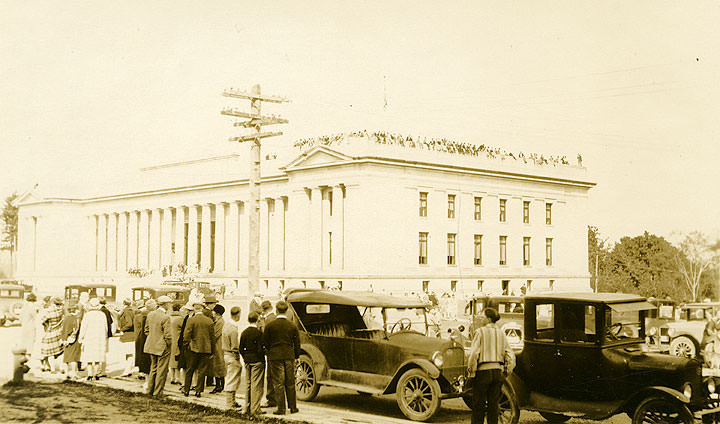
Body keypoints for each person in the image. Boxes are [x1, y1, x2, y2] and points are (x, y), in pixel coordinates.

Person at [467, 307, 515, 424]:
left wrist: (471, 372)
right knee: (493, 406)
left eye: (483, 317)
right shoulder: (501, 333)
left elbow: (474, 354)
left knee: (479, 405)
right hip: (497, 373)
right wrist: (506, 371)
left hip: (483, 373)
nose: (481, 319)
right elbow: (511, 355)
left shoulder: (480, 332)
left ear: (488, 319)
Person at [261, 300, 300, 415]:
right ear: (287, 310)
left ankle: (281, 408)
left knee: (278, 383)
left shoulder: (270, 325)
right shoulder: (292, 325)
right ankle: (293, 407)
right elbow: (297, 343)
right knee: (290, 382)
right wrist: (296, 356)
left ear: (276, 310)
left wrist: (270, 350)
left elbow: (264, 342)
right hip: (289, 355)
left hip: (275, 356)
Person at [183, 299, 214, 398]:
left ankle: (186, 390)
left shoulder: (191, 320)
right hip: (206, 348)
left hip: (193, 348)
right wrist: (212, 350)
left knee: (190, 370)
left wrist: (186, 345)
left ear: (194, 309)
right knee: (202, 371)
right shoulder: (209, 321)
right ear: (202, 308)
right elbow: (212, 337)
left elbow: (187, 335)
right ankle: (198, 391)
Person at [144, 295, 173, 397]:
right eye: (169, 303)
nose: (170, 305)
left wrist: (154, 338)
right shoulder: (165, 317)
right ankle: (158, 392)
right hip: (162, 346)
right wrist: (169, 345)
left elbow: (146, 330)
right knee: (162, 370)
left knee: (153, 369)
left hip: (151, 345)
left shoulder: (151, 314)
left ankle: (150, 390)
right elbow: (168, 335)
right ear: (165, 304)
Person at [240, 311, 265, 416]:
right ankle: (255, 409)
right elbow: (260, 349)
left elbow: (241, 348)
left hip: (247, 360)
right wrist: (261, 358)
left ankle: (247, 407)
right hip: (257, 361)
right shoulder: (259, 333)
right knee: (257, 385)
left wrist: (245, 357)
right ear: (257, 320)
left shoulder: (244, 332)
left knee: (248, 384)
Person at [79, 298, 109, 380]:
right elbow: (106, 327)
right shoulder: (102, 315)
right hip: (99, 338)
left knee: (89, 356)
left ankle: (89, 374)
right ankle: (95, 374)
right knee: (97, 357)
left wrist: (81, 338)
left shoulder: (87, 315)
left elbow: (83, 327)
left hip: (89, 337)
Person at [39, 297, 65, 374]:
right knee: (60, 351)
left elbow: (42, 320)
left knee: (50, 353)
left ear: (53, 303)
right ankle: (61, 367)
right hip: (59, 332)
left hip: (50, 333)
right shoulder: (61, 311)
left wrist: (46, 325)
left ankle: (53, 369)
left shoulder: (49, 311)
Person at [222, 306, 242, 408]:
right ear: (237, 314)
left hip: (225, 353)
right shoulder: (233, 330)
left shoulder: (226, 326)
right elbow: (235, 346)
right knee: (233, 378)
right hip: (231, 355)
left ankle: (231, 401)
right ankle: (230, 402)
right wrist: (237, 358)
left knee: (230, 377)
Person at [259, 299, 276, 406]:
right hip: (277, 350)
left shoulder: (267, 321)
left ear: (264, 310)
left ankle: (271, 399)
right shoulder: (275, 318)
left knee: (270, 376)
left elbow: (265, 336)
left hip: (270, 351)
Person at [61, 301, 82, 380]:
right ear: (75, 310)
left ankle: (67, 373)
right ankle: (73, 373)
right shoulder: (76, 319)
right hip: (73, 340)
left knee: (66, 357)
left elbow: (64, 330)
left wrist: (64, 339)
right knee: (73, 358)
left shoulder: (66, 318)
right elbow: (76, 330)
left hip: (66, 339)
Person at [209, 303, 226, 394]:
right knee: (217, 365)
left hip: (218, 346)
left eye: (214, 311)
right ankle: (219, 385)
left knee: (218, 365)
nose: (212, 313)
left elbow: (215, 335)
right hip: (218, 345)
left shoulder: (220, 322)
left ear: (217, 313)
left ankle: (219, 385)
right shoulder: (218, 321)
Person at [134, 299, 153, 380]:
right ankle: (145, 372)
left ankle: (141, 371)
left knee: (140, 354)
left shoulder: (137, 315)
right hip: (145, 337)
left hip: (139, 336)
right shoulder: (147, 315)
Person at [118, 298, 136, 376]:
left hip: (128, 334)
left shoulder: (127, 311)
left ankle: (127, 370)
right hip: (132, 334)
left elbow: (129, 324)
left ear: (124, 304)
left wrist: (121, 329)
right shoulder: (132, 310)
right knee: (129, 353)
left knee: (129, 353)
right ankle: (128, 369)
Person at [168, 303, 184, 385]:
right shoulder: (180, 319)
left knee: (171, 359)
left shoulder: (168, 317)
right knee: (177, 359)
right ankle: (178, 378)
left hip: (169, 340)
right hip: (177, 341)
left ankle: (172, 377)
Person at [98, 297, 114, 377]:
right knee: (104, 352)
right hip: (107, 334)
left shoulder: (101, 311)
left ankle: (101, 370)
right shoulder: (107, 310)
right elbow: (111, 321)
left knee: (101, 352)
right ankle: (102, 370)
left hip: (102, 334)